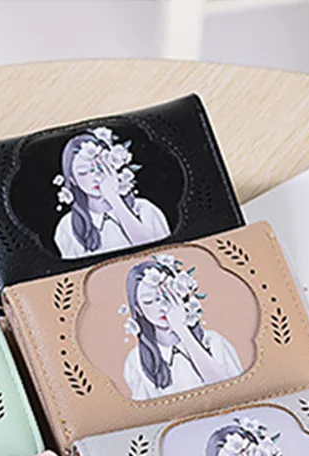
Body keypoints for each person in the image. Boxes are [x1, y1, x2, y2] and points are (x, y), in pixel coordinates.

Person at [122, 258, 242, 400]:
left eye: (168, 295)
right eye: (149, 301)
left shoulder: (213, 342)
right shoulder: (136, 361)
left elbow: (232, 391)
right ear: (138, 309)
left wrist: (181, 329)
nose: (162, 306)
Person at [53, 130, 170, 259]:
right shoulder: (67, 226)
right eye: (84, 172)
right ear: (72, 179)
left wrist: (114, 198)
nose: (96, 177)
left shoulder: (144, 209)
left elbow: (159, 252)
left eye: (102, 167)